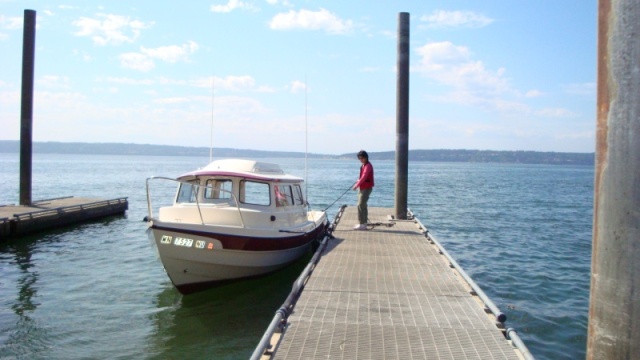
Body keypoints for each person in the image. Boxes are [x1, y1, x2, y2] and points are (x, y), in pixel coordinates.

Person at [352, 150, 374, 230]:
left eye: (362, 158)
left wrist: (356, 185)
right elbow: (362, 177)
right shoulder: (363, 165)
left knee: (361, 204)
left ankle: (362, 224)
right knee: (362, 205)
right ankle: (363, 223)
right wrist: (358, 181)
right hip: (362, 188)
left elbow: (364, 177)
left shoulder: (368, 166)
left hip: (366, 188)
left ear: (366, 157)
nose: (361, 160)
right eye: (359, 158)